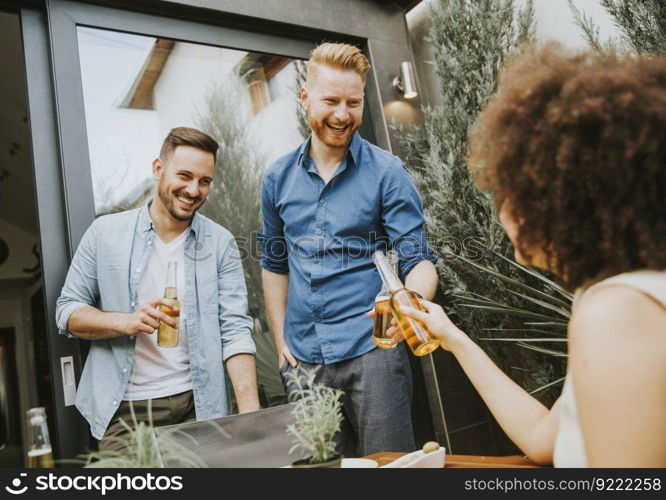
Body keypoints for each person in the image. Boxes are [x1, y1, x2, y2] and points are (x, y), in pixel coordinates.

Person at [397, 46, 666, 467]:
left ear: (554, 195)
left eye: (508, 185)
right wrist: (453, 337)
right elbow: (544, 439)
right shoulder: (620, 295)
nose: (501, 206)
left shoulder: (618, 312)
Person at [259, 43, 438, 457]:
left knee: (388, 471)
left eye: (353, 103)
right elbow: (273, 264)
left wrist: (409, 304)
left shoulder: (387, 172)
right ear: (305, 98)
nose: (342, 114)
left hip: (373, 352)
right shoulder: (276, 179)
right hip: (304, 360)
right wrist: (281, 335)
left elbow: (420, 261)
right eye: (331, 101)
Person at [56, 127, 260, 449]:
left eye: (204, 181)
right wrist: (125, 321)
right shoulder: (105, 233)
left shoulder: (220, 243)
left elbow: (234, 330)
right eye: (185, 176)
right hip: (125, 414)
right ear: (158, 169)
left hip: (200, 407)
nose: (193, 190)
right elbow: (67, 312)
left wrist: (251, 415)